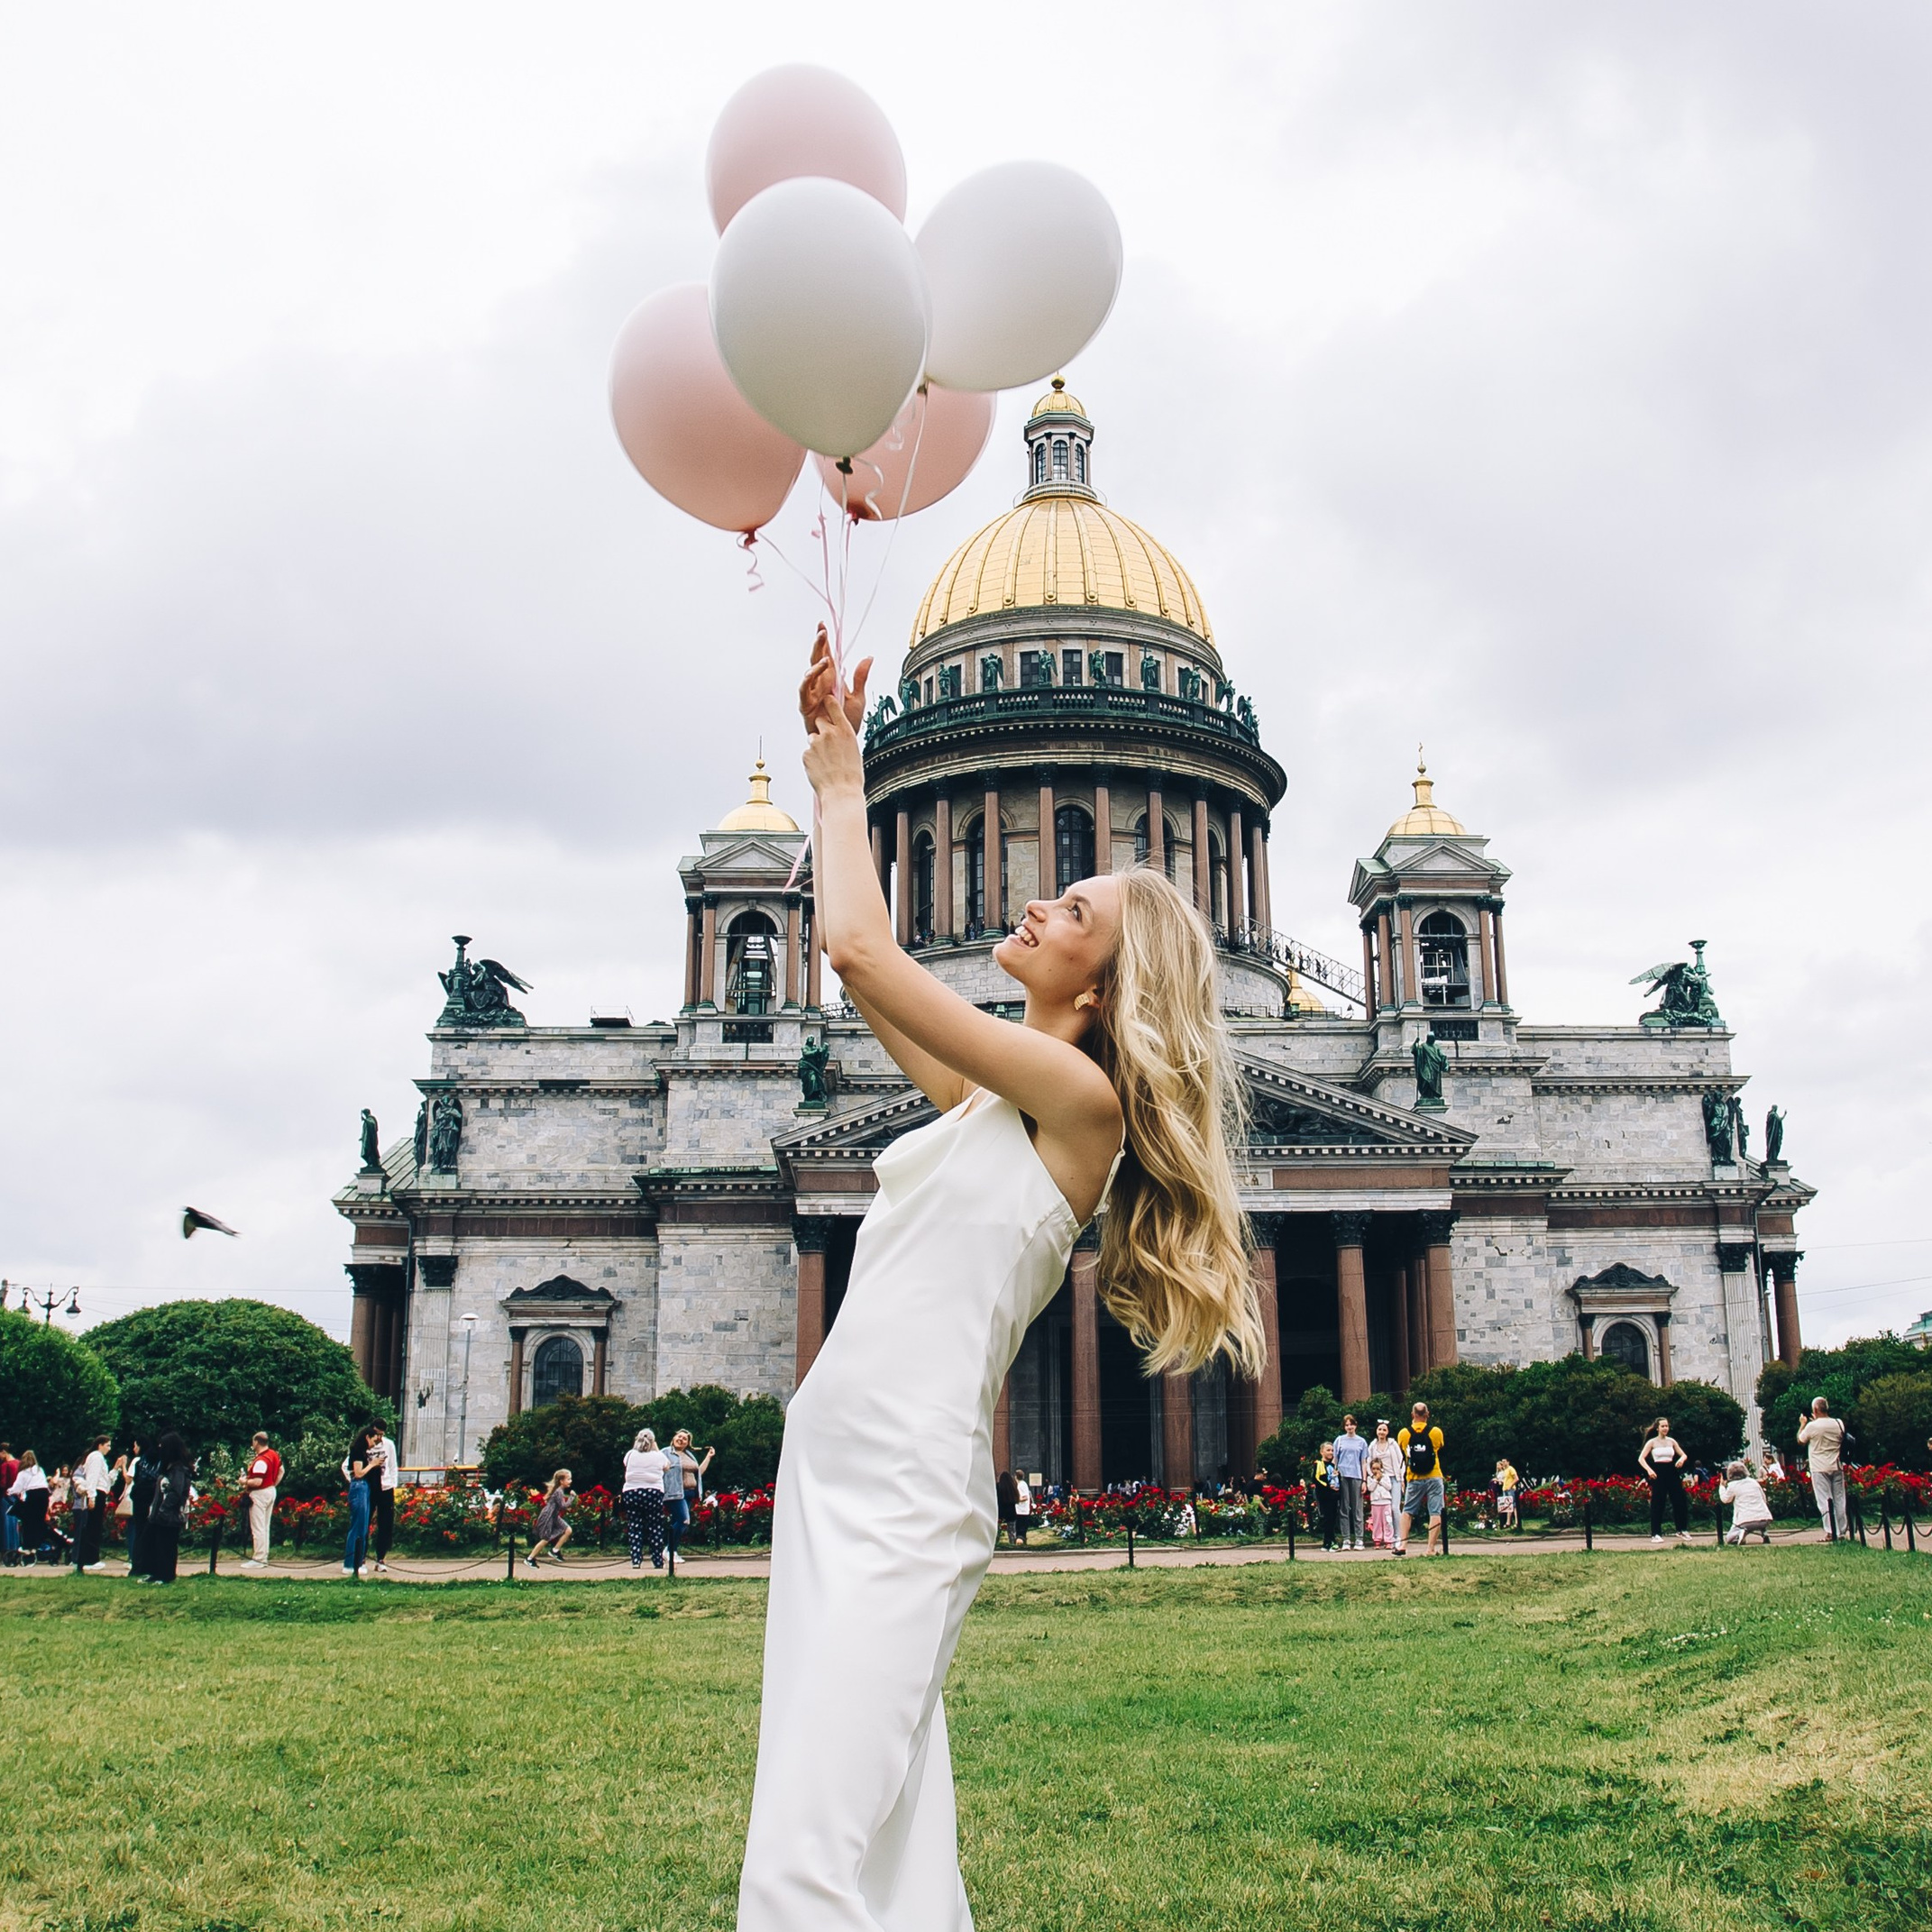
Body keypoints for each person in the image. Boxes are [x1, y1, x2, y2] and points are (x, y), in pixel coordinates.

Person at [737, 629, 1264, 1932]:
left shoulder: (1078, 1102)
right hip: (837, 1457)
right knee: (891, 1840)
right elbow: (861, 972)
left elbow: (864, 952)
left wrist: (846, 778)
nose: (1031, 901)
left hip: (904, 1479)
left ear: (1105, 985)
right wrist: (827, 789)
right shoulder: (987, 1099)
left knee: (803, 1850)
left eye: (1070, 909)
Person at [1396, 1401, 1446, 1556]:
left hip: (1414, 1477)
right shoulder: (1436, 1432)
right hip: (1434, 1475)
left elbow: (1403, 1450)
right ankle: (1430, 1548)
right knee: (1435, 1512)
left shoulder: (1404, 1433)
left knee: (1408, 1511)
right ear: (1427, 1414)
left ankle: (1403, 1544)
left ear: (1412, 1415)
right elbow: (1439, 1447)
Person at [143, 1434, 194, 1584]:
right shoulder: (170, 1467)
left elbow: (176, 1492)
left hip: (169, 1514)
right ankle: (156, 1573)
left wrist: (164, 1510)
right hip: (160, 1513)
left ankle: (166, 1575)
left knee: (167, 1545)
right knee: (157, 1543)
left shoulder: (178, 1469)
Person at [1797, 1396, 1848, 1539]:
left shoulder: (1812, 1427)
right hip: (1836, 1465)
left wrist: (1803, 1424)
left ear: (1815, 1410)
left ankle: (1831, 1531)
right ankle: (1842, 1530)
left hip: (1819, 1467)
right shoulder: (1838, 1423)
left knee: (1824, 1500)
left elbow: (1800, 1440)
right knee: (1839, 1499)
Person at [1637, 1416, 1692, 1545]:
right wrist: (1649, 1470)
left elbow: (1683, 1454)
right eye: (1663, 1426)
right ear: (1657, 1428)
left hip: (1671, 1471)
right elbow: (1641, 1458)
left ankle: (1681, 1529)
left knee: (1679, 1500)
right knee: (1658, 1502)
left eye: (1667, 1426)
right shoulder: (1652, 1442)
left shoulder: (1671, 1441)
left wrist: (1681, 1460)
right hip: (1658, 1472)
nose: (1665, 1428)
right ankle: (1656, 1533)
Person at [621, 1431, 669, 1570]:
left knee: (635, 1525)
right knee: (655, 1526)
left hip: (632, 1491)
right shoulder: (659, 1456)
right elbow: (667, 1467)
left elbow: (626, 1465)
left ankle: (636, 1559)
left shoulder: (630, 1454)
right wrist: (656, 1448)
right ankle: (657, 1560)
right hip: (653, 1491)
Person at [666, 1427, 713, 1559]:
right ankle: (669, 1550)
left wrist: (708, 1457)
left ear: (688, 1443)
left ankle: (672, 1551)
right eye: (679, 1437)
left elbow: (698, 1473)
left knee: (680, 1523)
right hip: (675, 1493)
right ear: (674, 1438)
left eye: (684, 1439)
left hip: (689, 1493)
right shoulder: (666, 1453)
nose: (681, 1439)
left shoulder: (689, 1455)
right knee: (684, 1520)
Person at [70, 1433, 113, 1571]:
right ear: (100, 1445)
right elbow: (92, 1478)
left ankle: (89, 1559)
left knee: (94, 1526)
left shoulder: (98, 1458)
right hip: (96, 1492)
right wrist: (92, 1496)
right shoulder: (96, 1457)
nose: (109, 1448)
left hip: (99, 1492)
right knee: (93, 1527)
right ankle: (90, 1559)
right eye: (107, 1445)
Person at [342, 1425, 380, 1578]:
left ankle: (357, 1562)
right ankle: (350, 1563)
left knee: (363, 1527)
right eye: (374, 1440)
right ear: (367, 1437)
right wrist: (372, 1464)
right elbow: (358, 1473)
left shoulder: (363, 1452)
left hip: (364, 1487)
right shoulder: (357, 1452)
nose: (374, 1443)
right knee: (357, 1526)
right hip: (359, 1486)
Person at [240, 1432, 281, 1569]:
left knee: (258, 1527)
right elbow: (281, 1470)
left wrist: (244, 1481)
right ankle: (264, 1556)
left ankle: (258, 1558)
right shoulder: (273, 1454)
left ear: (257, 1442)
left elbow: (257, 1481)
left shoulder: (261, 1460)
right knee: (265, 1526)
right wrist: (273, 1483)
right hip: (270, 1490)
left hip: (260, 1493)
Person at [1332, 1415, 1369, 1551]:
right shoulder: (1339, 1440)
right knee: (1344, 1508)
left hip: (1357, 1476)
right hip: (1342, 1476)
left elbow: (1364, 1462)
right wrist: (1333, 1477)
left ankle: (1359, 1539)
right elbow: (1334, 1460)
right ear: (1344, 1426)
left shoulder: (1362, 1442)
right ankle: (1346, 1538)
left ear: (1355, 1425)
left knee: (1357, 1508)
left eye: (1351, 1424)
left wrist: (1365, 1480)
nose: (1349, 1427)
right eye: (1347, 1425)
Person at [364, 1422, 397, 1572]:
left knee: (385, 1524)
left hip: (385, 1487)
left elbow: (393, 1466)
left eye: (381, 1434)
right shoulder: (364, 1445)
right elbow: (349, 1465)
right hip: (369, 1487)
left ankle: (381, 1558)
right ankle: (361, 1557)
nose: (378, 1437)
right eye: (377, 1433)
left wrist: (391, 1484)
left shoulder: (388, 1445)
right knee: (365, 1521)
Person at [124, 1438, 159, 1579]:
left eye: (135, 1445)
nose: (134, 1448)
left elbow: (131, 1479)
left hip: (139, 1499)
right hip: (152, 1499)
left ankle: (137, 1565)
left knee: (138, 1533)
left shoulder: (138, 1462)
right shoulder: (157, 1462)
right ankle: (149, 1565)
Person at [526, 1469, 574, 1567]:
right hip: (548, 1516)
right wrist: (572, 1497)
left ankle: (555, 1550)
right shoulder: (558, 1492)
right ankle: (530, 1558)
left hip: (554, 1515)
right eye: (568, 1479)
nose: (571, 1481)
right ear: (561, 1481)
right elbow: (563, 1506)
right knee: (546, 1538)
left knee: (568, 1530)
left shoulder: (559, 1490)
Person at [7, 1451, 49, 1563]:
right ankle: (36, 1546)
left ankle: (27, 1546)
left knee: (28, 1522)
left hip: (33, 1495)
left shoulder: (23, 1473)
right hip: (44, 1495)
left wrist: (9, 1491)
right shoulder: (40, 1470)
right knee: (39, 1522)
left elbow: (18, 1487)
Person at [1719, 1460, 1773, 1544]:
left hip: (1745, 1521)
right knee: (1759, 1523)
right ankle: (1764, 1532)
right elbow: (1763, 1498)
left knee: (1729, 1538)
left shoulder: (1733, 1485)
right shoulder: (1753, 1482)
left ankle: (1741, 1533)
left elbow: (1725, 1500)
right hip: (1765, 1518)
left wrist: (1722, 1486)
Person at [1365, 1423, 1400, 1549]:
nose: (1381, 1432)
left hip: (1393, 1477)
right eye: (1379, 1429)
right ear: (1376, 1431)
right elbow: (1368, 1461)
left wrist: (1400, 1477)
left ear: (1387, 1431)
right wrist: (1374, 1476)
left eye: (1384, 1430)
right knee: (1378, 1518)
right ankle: (1379, 1539)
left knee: (1394, 1508)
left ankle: (1397, 1536)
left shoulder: (1392, 1444)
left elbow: (1400, 1459)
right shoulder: (1373, 1445)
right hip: (1377, 1481)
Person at [1314, 1441, 1341, 1551]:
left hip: (1333, 1496)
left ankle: (1327, 1542)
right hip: (1324, 1495)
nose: (1331, 1452)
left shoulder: (1333, 1465)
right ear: (1322, 1452)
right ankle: (1331, 1541)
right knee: (1327, 1519)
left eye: (1332, 1450)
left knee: (1332, 1519)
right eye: (1328, 1450)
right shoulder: (1319, 1464)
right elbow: (1317, 1479)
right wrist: (1328, 1487)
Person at [1495, 1457, 1521, 1532]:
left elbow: (1516, 1478)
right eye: (1502, 1461)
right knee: (1508, 1506)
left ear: (1508, 1462)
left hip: (1510, 1489)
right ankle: (1508, 1522)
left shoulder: (1510, 1469)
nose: (1503, 1463)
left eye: (1504, 1461)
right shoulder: (1505, 1470)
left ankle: (1516, 1521)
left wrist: (1511, 1485)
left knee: (1513, 1505)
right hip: (1505, 1489)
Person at [997, 1470, 1020, 1547]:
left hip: (1000, 1511)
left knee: (997, 1528)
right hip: (1011, 1511)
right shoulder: (1012, 1487)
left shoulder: (998, 1486)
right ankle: (1012, 1543)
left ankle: (996, 1543)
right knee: (1012, 1530)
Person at [1012, 1470, 1032, 1546]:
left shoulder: (1021, 1485)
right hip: (1021, 1510)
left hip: (1021, 1511)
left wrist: (1016, 1500)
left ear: (1016, 1476)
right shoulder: (1022, 1484)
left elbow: (1025, 1497)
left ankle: (1021, 1542)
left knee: (1020, 1529)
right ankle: (1022, 1542)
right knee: (1020, 1528)